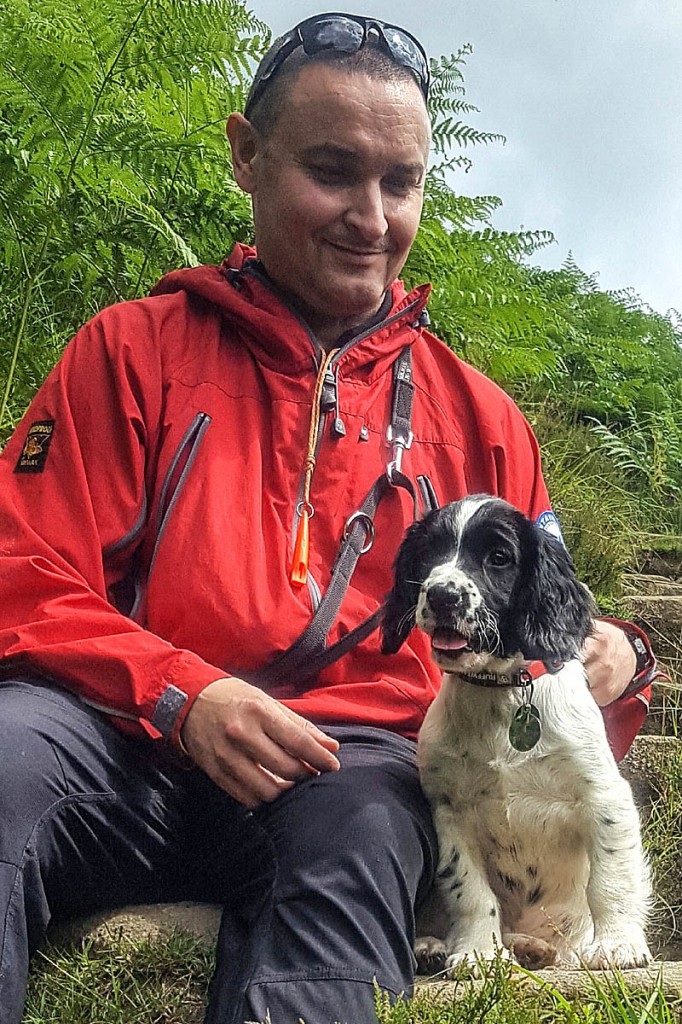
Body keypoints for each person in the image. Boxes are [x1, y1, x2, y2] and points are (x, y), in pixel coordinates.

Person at [0, 13, 660, 1024]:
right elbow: (20, 569)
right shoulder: (130, 351)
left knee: (361, 831)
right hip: (115, 738)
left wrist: (614, 659)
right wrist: (179, 688)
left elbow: (541, 656)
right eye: (331, 170)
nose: (370, 214)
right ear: (246, 154)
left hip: (352, 767)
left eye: (400, 182)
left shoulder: (484, 419)